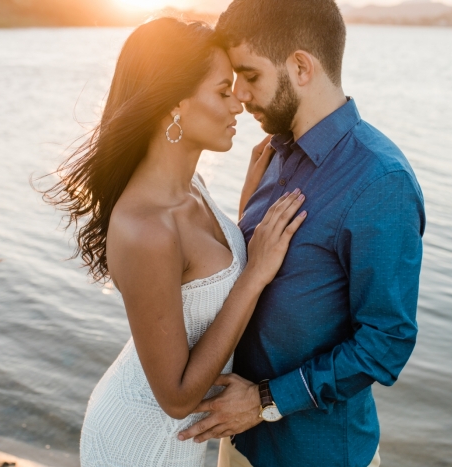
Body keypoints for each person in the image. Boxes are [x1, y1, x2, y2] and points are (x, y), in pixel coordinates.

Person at [42, 18, 307, 466]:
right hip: (138, 443)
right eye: (223, 91)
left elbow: (203, 275)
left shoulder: (192, 187)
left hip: (178, 442)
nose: (239, 104)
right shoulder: (144, 226)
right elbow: (178, 398)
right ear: (175, 105)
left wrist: (248, 214)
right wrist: (255, 275)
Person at [177, 1, 426, 466]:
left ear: (300, 66)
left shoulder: (380, 181)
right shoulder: (271, 154)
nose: (241, 96)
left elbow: (387, 342)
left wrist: (265, 401)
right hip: (238, 439)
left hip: (314, 453)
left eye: (250, 76)